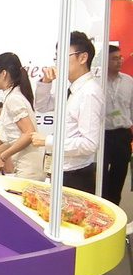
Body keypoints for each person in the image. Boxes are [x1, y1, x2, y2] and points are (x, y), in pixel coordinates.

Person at [31, 31, 105, 194]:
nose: (58, 63)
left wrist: (49, 141)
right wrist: (46, 82)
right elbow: (42, 106)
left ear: (83, 58)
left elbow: (89, 144)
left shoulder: (89, 92)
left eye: (64, 56)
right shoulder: (73, 89)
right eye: (57, 57)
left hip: (75, 175)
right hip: (62, 169)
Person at [0, 52, 44, 180]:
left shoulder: (13, 98)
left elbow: (28, 133)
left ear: (3, 74)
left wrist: (2, 157)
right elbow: (15, 140)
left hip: (28, 168)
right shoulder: (13, 96)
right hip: (26, 166)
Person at [102, 44, 133, 205]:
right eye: (114, 58)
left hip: (122, 135)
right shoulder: (97, 82)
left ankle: (115, 209)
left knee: (118, 176)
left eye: (120, 58)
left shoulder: (129, 81)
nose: (119, 61)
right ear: (105, 61)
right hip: (103, 136)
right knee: (101, 178)